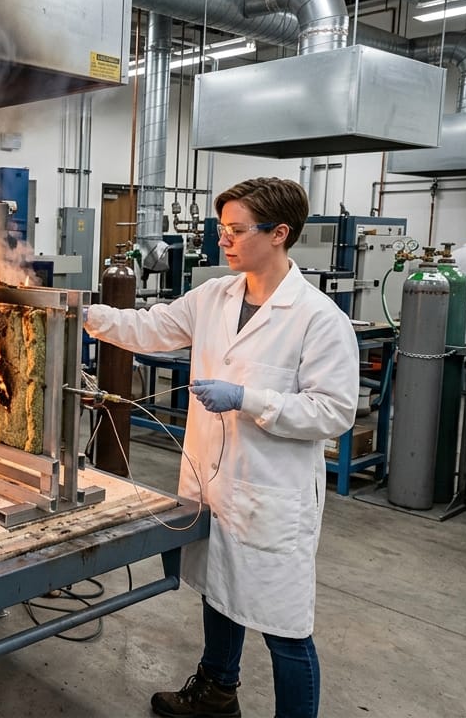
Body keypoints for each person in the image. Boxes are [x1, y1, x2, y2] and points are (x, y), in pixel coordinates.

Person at [84, 178, 359, 718]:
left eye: (236, 229)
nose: (223, 240)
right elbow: (149, 328)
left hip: (270, 495)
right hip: (213, 483)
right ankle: (217, 691)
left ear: (279, 233)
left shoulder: (318, 317)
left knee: (284, 627)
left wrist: (248, 399)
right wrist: (79, 312)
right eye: (221, 228)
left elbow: (334, 411)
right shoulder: (215, 296)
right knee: (219, 591)